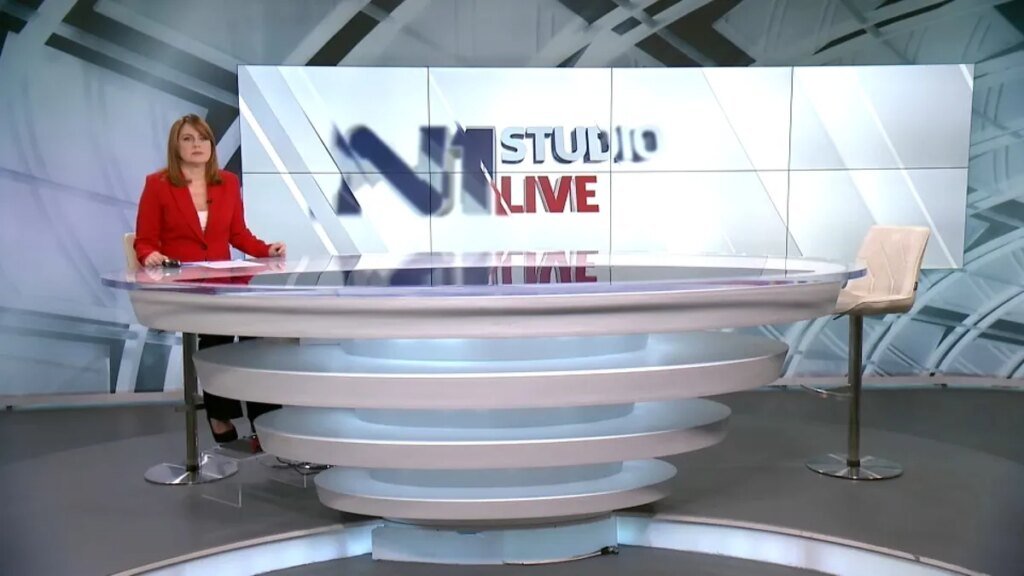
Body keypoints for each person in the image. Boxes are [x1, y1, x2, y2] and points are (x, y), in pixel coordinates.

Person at [134, 113, 286, 445]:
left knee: (256, 333)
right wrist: (150, 255)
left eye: (203, 138)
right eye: (188, 139)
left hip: (223, 281)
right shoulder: (158, 184)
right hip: (184, 284)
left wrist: (266, 249)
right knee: (218, 334)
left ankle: (264, 420)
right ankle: (219, 414)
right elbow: (144, 240)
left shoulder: (227, 182)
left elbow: (238, 234)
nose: (197, 145)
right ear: (175, 146)